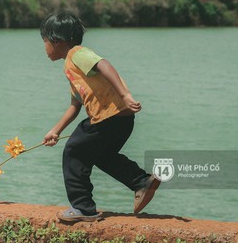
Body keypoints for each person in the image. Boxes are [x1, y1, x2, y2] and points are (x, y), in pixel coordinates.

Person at [40, 12, 160, 222]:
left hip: (108, 116)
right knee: (101, 156)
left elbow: (103, 64)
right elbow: (75, 105)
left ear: (56, 41)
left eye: (45, 42)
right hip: (122, 119)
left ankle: (83, 208)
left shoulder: (76, 54)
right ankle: (141, 182)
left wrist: (125, 94)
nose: (45, 48)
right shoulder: (71, 68)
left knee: (74, 152)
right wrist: (55, 131)